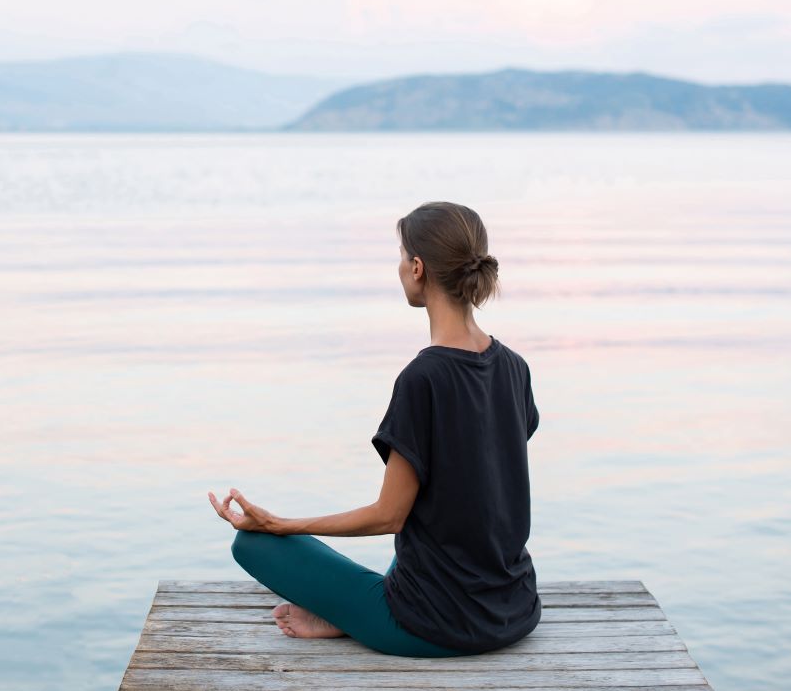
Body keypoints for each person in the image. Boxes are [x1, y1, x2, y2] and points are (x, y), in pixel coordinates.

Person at [207, 200, 542, 657]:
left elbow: (390, 516)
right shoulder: (514, 367)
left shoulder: (422, 379)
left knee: (252, 544)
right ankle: (343, 615)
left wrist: (280, 524)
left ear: (418, 267)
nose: (400, 266)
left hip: (434, 626)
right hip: (515, 609)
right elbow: (479, 486)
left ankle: (352, 616)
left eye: (402, 255)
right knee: (424, 536)